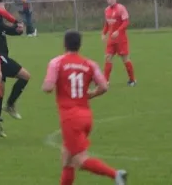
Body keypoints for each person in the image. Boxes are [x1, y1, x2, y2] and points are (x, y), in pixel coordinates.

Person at [42, 30, 128, 185]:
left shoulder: (56, 62)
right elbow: (103, 86)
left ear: (64, 44)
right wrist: (90, 94)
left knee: (80, 160)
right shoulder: (89, 63)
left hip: (70, 118)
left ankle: (116, 174)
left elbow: (48, 87)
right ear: (79, 45)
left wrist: (50, 85)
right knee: (67, 158)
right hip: (86, 116)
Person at [0, 0, 30, 137]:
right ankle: (10, 105)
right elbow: (2, 28)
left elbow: (7, 31)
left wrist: (18, 30)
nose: (3, 6)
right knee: (25, 76)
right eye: (1, 5)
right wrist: (15, 24)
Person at [101, 0, 136, 86]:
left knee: (125, 59)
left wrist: (118, 31)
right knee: (108, 58)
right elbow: (107, 24)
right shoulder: (107, 10)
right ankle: (105, 81)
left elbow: (126, 22)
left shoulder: (121, 8)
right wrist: (103, 33)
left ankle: (132, 80)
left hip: (121, 39)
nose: (109, 0)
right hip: (111, 40)